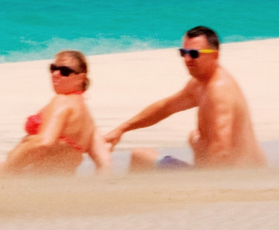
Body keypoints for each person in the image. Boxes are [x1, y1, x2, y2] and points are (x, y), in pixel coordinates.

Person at [104, 26, 267, 170]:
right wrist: (121, 129)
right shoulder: (200, 84)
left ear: (215, 55)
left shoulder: (219, 91)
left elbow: (221, 149)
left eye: (194, 54)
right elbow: (165, 107)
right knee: (195, 137)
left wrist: (199, 188)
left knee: (140, 157)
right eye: (184, 53)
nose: (187, 60)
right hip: (222, 173)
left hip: (232, 178)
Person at [0, 50, 111, 175]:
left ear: (80, 78)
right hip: (62, 183)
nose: (56, 74)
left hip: (32, 180)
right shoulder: (87, 119)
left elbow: (43, 143)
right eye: (53, 68)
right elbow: (105, 164)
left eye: (65, 71)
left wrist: (5, 169)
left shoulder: (62, 101)